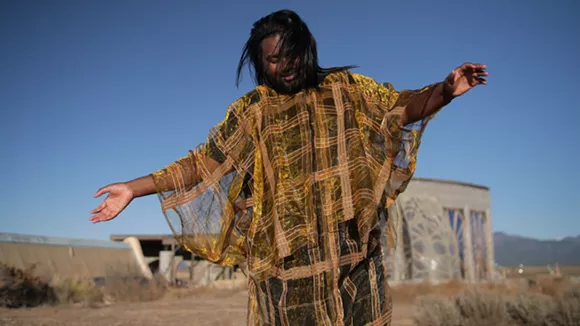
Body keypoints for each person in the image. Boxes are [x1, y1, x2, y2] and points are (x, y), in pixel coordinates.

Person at [90, 9, 488, 326]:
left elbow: (398, 106)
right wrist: (134, 187)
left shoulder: (345, 91)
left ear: (307, 48)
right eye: (275, 59)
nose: (287, 65)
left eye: (292, 54)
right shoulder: (254, 111)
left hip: (353, 265)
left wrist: (445, 91)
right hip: (286, 277)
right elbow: (204, 161)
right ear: (262, 65)